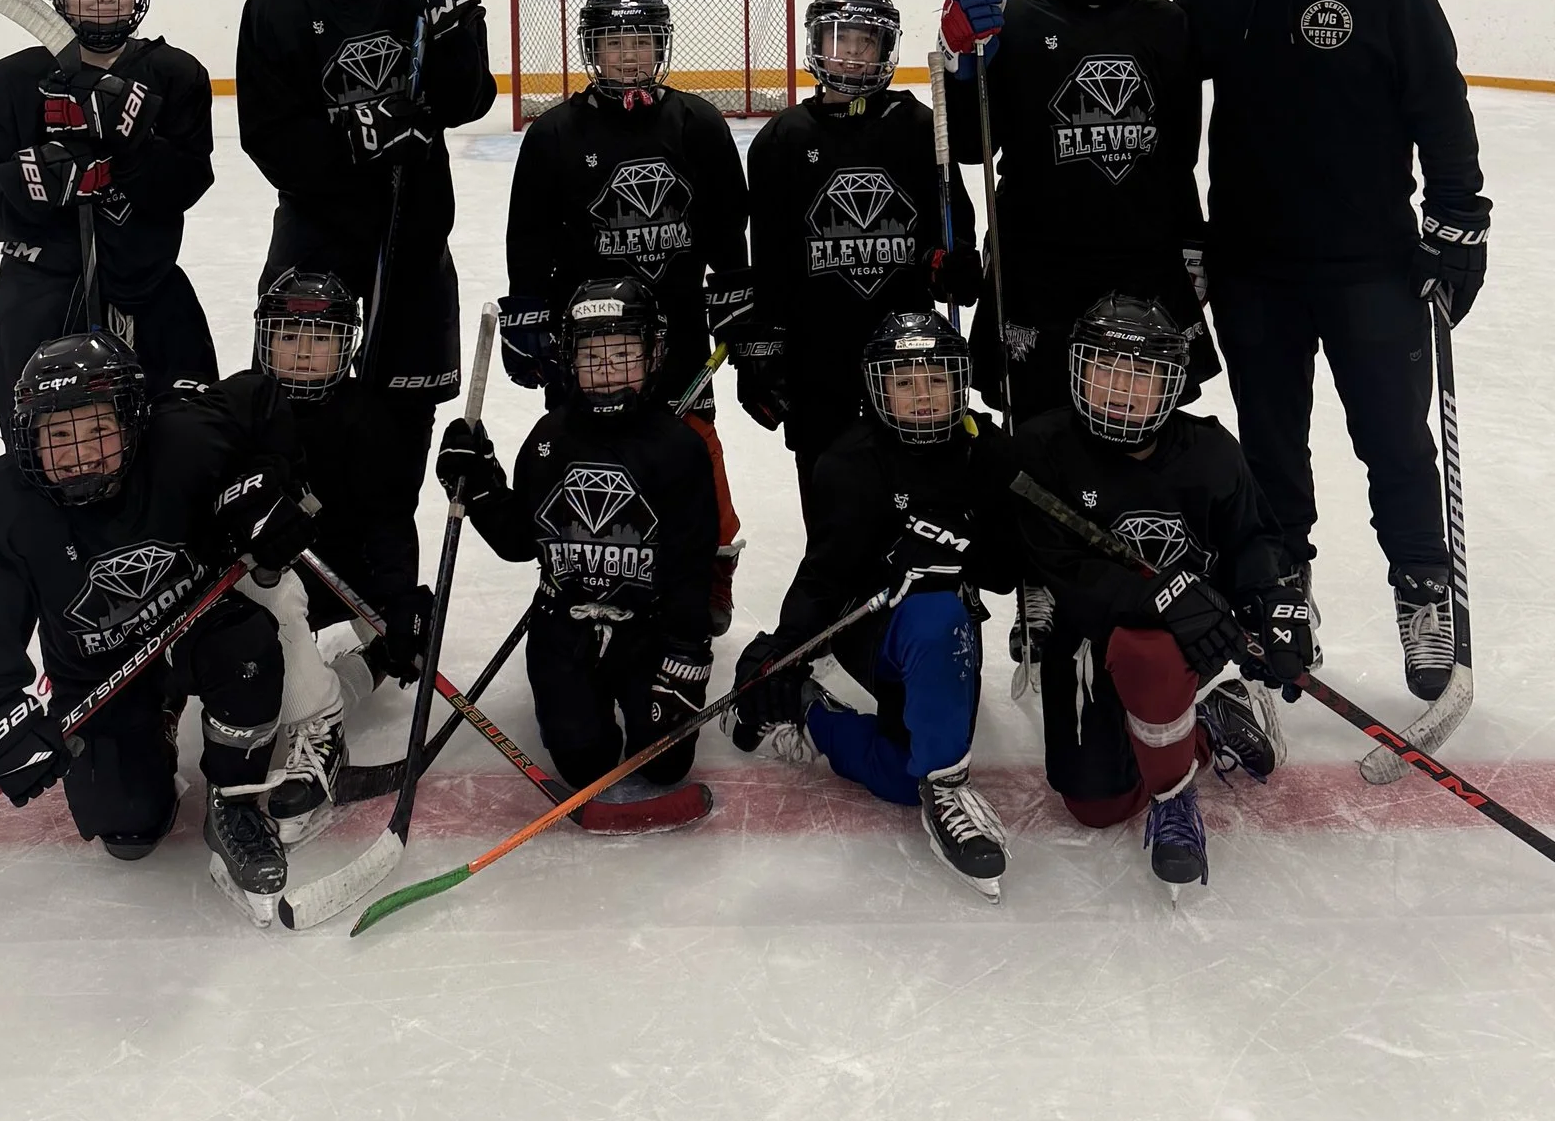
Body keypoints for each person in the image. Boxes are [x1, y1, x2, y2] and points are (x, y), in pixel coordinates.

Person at [1172, 0, 1491, 697]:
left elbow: (1439, 100)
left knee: (1393, 439)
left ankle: (1424, 592)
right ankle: (1283, 591)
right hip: (1253, 268)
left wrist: (1461, 218)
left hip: (1372, 263)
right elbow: (1167, 109)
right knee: (1271, 450)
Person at [0, 331, 321, 910]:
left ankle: (234, 799)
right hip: (99, 674)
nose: (82, 454)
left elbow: (261, 401)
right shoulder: (4, 505)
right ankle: (156, 723)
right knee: (125, 829)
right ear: (28, 440)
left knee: (247, 651)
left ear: (133, 421)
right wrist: (0, 729)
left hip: (199, 625)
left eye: (99, 430)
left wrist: (267, 485)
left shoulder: (182, 439)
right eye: (60, 436)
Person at [232, 0, 497, 537]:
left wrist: (456, 18)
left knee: (395, 451)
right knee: (297, 424)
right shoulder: (278, 3)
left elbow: (468, 99)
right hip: (315, 246)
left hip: (411, 244)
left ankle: (386, 612)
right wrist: (363, 137)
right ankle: (299, 601)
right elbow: (269, 138)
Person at [727, 308, 1019, 892]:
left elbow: (1008, 572)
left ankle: (827, 720)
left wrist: (960, 542)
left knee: (897, 775)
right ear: (878, 387)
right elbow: (825, 577)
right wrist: (785, 653)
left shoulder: (986, 453)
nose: (923, 396)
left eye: (937, 380)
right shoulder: (849, 462)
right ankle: (936, 783)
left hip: (949, 628)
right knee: (932, 619)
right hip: (875, 631)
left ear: (959, 383)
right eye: (905, 382)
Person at [1006, 292, 1290, 890]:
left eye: (1141, 373)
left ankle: (1174, 796)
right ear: (1078, 371)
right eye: (1105, 367)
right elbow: (1059, 565)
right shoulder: (1041, 449)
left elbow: (1255, 540)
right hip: (1087, 638)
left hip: (1177, 649)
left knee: (1150, 647)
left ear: (1173, 384)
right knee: (1094, 807)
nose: (1119, 387)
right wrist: (1161, 594)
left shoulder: (1210, 451)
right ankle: (1212, 722)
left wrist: (1275, 605)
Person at [502, 0, 749, 629]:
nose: (630, 55)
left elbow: (728, 224)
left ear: (661, 44)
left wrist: (737, 294)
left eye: (641, 40)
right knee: (591, 451)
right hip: (588, 341)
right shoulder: (555, 133)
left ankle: (710, 563)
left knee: (694, 446)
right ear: (592, 49)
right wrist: (526, 315)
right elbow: (528, 236)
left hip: (680, 332)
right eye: (615, 42)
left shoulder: (698, 123)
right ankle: (583, 560)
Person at [436, 277, 718, 830]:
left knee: (664, 766)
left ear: (653, 352)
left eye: (623, 354)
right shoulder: (549, 440)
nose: (608, 369)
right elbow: (522, 541)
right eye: (593, 355)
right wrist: (478, 483)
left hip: (650, 628)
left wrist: (684, 658)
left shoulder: (678, 448)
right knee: (585, 763)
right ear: (568, 358)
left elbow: (690, 565)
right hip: (562, 623)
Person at [934, 0, 1207, 423]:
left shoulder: (1167, 24)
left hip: (1143, 265)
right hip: (1038, 267)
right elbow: (968, 147)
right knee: (1037, 435)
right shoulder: (1010, 18)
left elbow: (1180, 153)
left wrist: (1193, 242)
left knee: (1141, 430)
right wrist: (961, 63)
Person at [0, 0, 218, 442]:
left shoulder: (175, 76)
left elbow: (188, 181)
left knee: (184, 444)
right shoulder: (8, 84)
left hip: (150, 290)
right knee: (45, 454)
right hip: (39, 291)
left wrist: (137, 146)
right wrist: (32, 184)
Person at [738, 0, 979, 521]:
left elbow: (952, 232)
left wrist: (953, 267)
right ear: (815, 44)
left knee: (915, 501)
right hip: (816, 360)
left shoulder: (918, 126)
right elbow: (771, 264)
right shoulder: (782, 140)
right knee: (830, 508)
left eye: (865, 42)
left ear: (884, 51)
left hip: (908, 359)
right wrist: (762, 356)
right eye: (840, 39)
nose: (851, 53)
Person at [253, 261, 436, 725]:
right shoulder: (242, 406)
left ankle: (370, 660)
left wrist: (398, 600)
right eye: (289, 336)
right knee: (267, 682)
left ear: (345, 346)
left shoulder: (369, 417)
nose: (302, 352)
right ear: (266, 341)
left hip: (350, 574)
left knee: (406, 638)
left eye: (320, 339)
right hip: (272, 580)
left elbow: (389, 518)